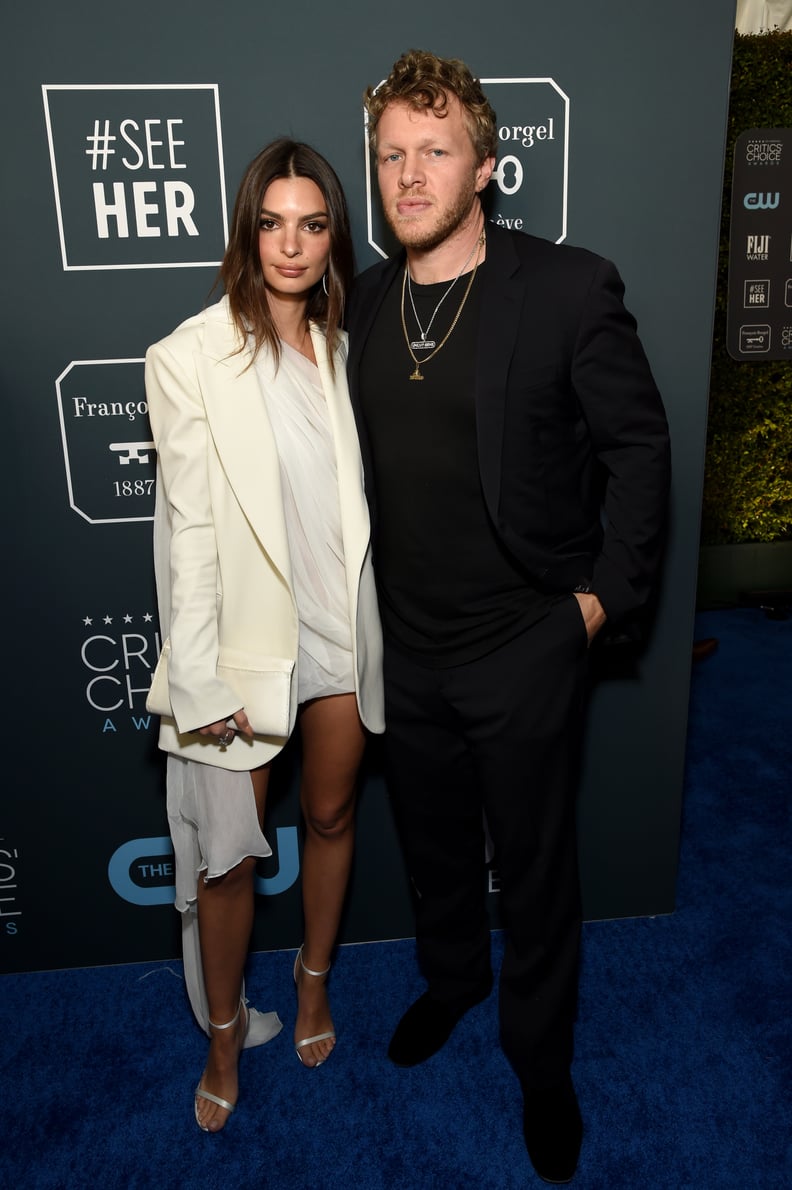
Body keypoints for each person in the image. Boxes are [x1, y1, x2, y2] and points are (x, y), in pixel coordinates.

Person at [347, 51, 671, 1183]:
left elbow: (638, 450)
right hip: (410, 650)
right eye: (390, 154)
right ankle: (451, 981)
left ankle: (542, 1063)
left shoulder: (568, 286)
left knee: (533, 871)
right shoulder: (369, 300)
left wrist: (595, 604)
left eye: (434, 151)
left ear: (485, 165)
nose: (408, 173)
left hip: (525, 645)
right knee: (435, 849)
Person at [145, 138, 384, 1134]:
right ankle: (225, 1029)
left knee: (330, 819)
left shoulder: (349, 347)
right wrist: (200, 684)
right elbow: (186, 536)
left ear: (334, 236)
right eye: (272, 222)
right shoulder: (189, 354)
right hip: (244, 656)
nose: (292, 244)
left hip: (344, 634)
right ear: (247, 231)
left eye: (314, 222)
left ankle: (315, 977)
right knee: (230, 862)